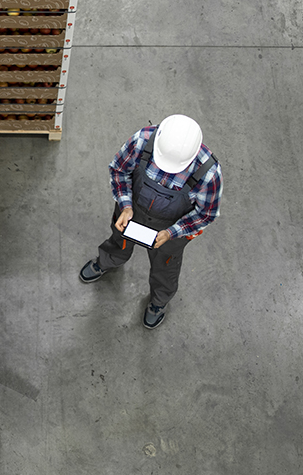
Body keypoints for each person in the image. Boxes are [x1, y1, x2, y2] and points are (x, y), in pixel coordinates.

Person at [79, 114, 222, 329]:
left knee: (166, 266)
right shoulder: (142, 140)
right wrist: (126, 205)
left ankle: (158, 301)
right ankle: (108, 260)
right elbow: (119, 170)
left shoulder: (209, 174)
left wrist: (172, 232)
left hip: (170, 229)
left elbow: (205, 214)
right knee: (119, 240)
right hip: (132, 211)